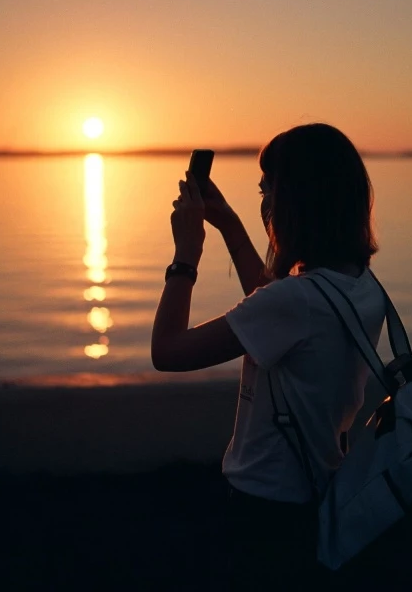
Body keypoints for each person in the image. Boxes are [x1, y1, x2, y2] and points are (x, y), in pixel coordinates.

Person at [150, 123, 386, 591]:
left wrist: (186, 255)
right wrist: (230, 225)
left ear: (296, 201)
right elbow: (276, 312)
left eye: (267, 190)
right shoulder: (360, 285)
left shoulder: (296, 302)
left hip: (263, 507)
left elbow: (167, 351)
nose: (264, 204)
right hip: (316, 489)